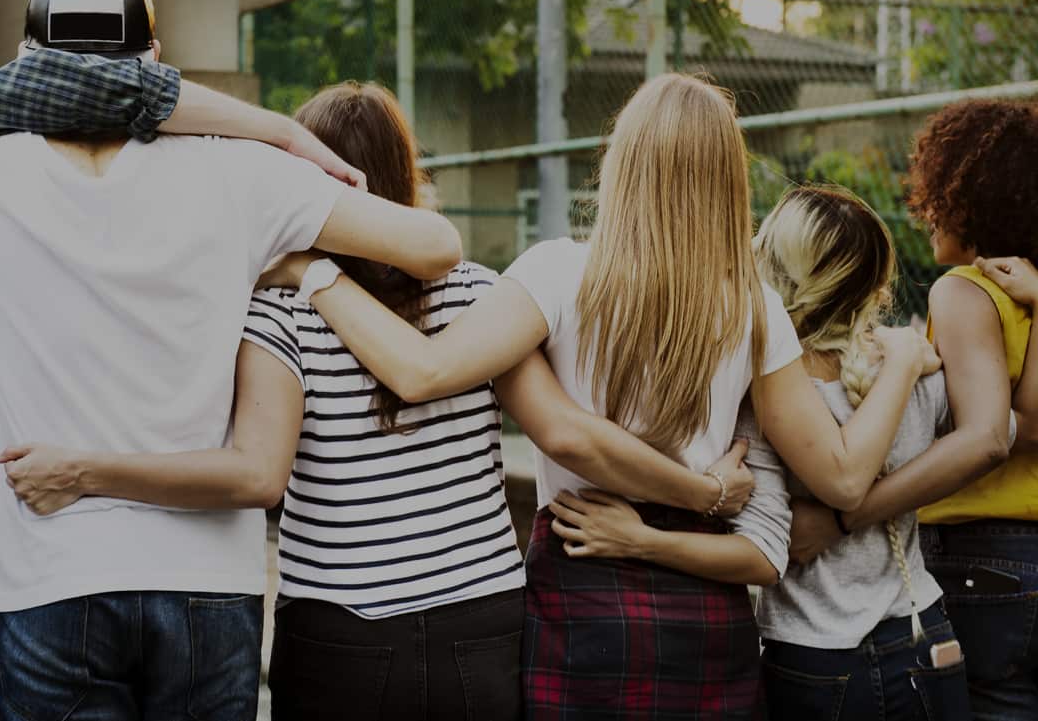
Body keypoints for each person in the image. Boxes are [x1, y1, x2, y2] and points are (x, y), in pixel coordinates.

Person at [0, 0, 461, 721]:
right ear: (154, 64)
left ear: (25, 63)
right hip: (209, 581)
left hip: (49, 577)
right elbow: (432, 245)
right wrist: (301, 261)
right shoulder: (247, 174)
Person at [0, 81, 764, 720]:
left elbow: (256, 473)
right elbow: (562, 427)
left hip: (341, 631)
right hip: (483, 623)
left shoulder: (277, 310)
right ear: (405, 174)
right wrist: (703, 490)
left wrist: (88, 470)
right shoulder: (481, 293)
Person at [251, 73, 938, 719]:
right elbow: (841, 477)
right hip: (706, 616)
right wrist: (903, 362)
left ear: (621, 162)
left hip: (582, 583)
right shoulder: (755, 310)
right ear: (728, 180)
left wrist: (314, 272)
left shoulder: (552, 274)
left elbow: (432, 375)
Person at [580, 186, 973, 719]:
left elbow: (767, 548)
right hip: (924, 631)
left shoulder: (765, 396)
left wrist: (644, 537)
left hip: (815, 652)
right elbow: (993, 435)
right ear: (877, 285)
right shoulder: (914, 368)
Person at [789, 100, 1038, 721]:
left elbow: (993, 437)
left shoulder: (964, 291)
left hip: (981, 555)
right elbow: (1028, 424)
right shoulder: (1029, 296)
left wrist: (846, 520)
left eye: (934, 198)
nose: (924, 215)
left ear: (966, 194)